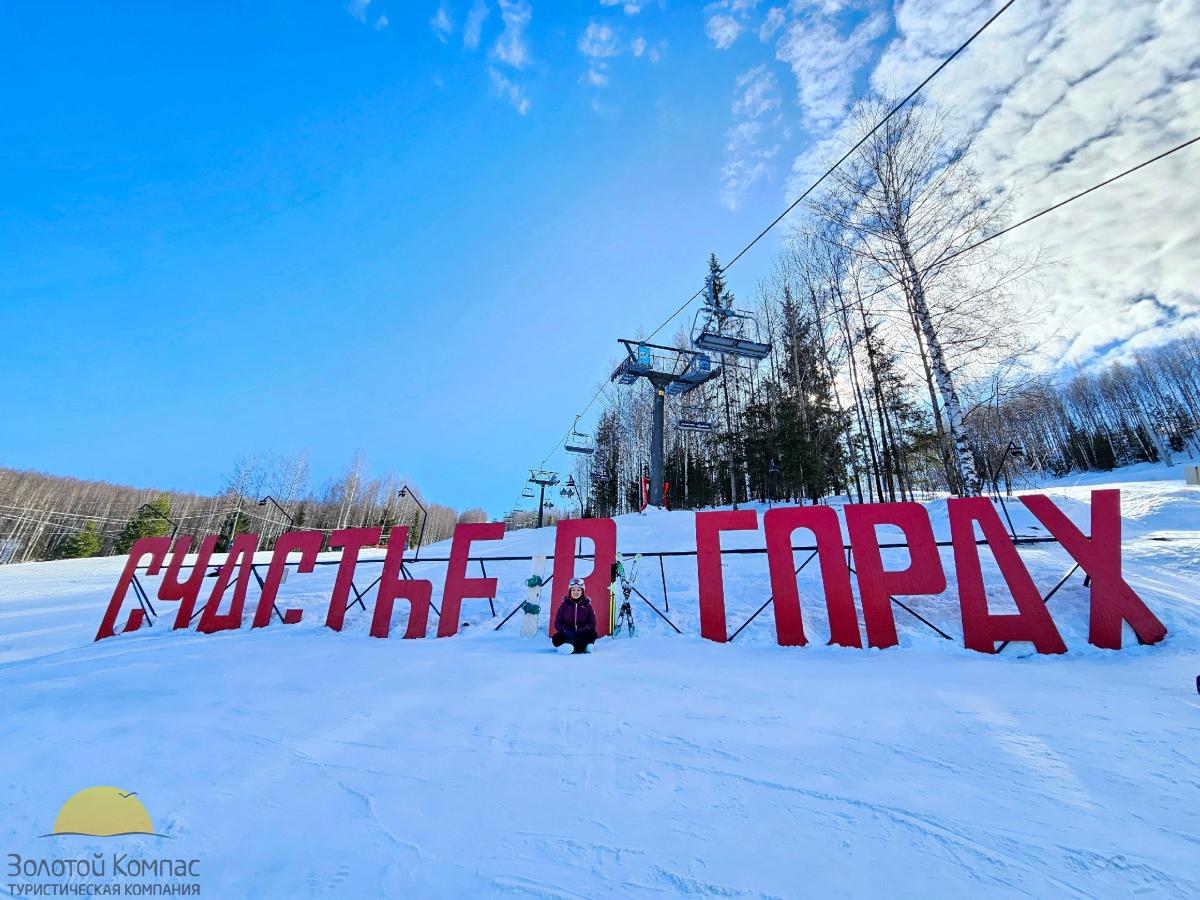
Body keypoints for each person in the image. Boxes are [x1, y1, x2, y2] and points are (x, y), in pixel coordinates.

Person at [553, 578, 597, 654]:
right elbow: (557, 623)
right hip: (568, 634)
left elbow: (592, 624)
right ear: (570, 591)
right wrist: (565, 631)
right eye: (573, 590)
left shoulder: (587, 606)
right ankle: (582, 647)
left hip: (582, 634)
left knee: (592, 634)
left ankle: (571, 647)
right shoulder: (564, 606)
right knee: (556, 638)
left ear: (582, 591)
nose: (576, 592)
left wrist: (581, 630)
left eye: (578, 590)